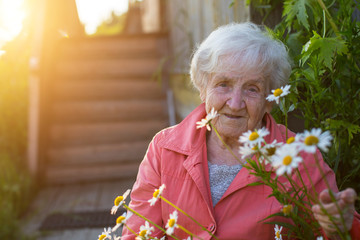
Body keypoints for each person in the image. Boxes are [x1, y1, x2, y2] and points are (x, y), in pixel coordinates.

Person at [121, 22, 359, 239]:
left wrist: (336, 227)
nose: (235, 103)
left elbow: (339, 230)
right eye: (223, 84)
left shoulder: (299, 156)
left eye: (252, 89)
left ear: (270, 99)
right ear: (203, 88)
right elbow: (137, 234)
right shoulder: (165, 149)